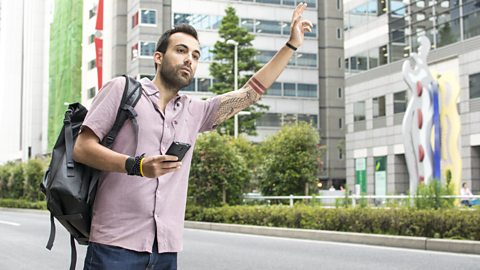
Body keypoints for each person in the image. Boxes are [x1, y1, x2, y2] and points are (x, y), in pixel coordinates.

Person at [73, 3, 313, 270]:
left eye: (196, 55)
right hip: (114, 246)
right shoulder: (122, 90)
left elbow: (250, 93)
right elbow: (82, 148)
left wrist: (291, 45)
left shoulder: (195, 111)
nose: (190, 59)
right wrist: (136, 165)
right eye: (181, 50)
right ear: (158, 57)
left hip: (165, 250)